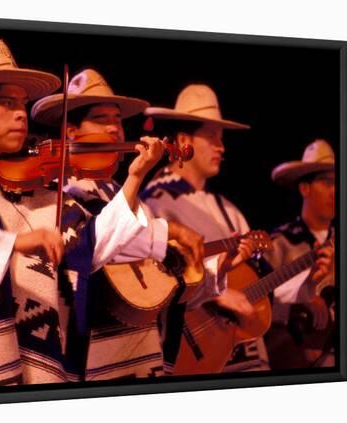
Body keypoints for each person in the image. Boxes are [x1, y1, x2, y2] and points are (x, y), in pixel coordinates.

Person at [0, 39, 167, 388]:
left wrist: (134, 177)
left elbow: (89, 248)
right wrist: (17, 242)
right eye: (8, 103)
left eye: (23, 104)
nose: (22, 114)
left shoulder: (34, 185)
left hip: (35, 357)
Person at [32, 70, 216, 378]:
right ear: (72, 131)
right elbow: (91, 248)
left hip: (137, 350)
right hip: (93, 358)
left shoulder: (113, 189)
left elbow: (145, 261)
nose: (115, 129)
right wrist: (138, 179)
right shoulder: (53, 190)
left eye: (117, 120)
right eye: (102, 119)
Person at [141, 84, 270, 373]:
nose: (221, 147)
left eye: (221, 139)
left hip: (238, 346)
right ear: (184, 139)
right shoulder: (155, 203)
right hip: (193, 350)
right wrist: (217, 293)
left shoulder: (228, 209)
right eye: (212, 137)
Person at [263, 139, 336, 369]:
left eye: (339, 183)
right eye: (327, 183)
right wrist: (300, 303)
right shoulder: (280, 244)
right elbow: (259, 305)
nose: (336, 191)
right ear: (304, 188)